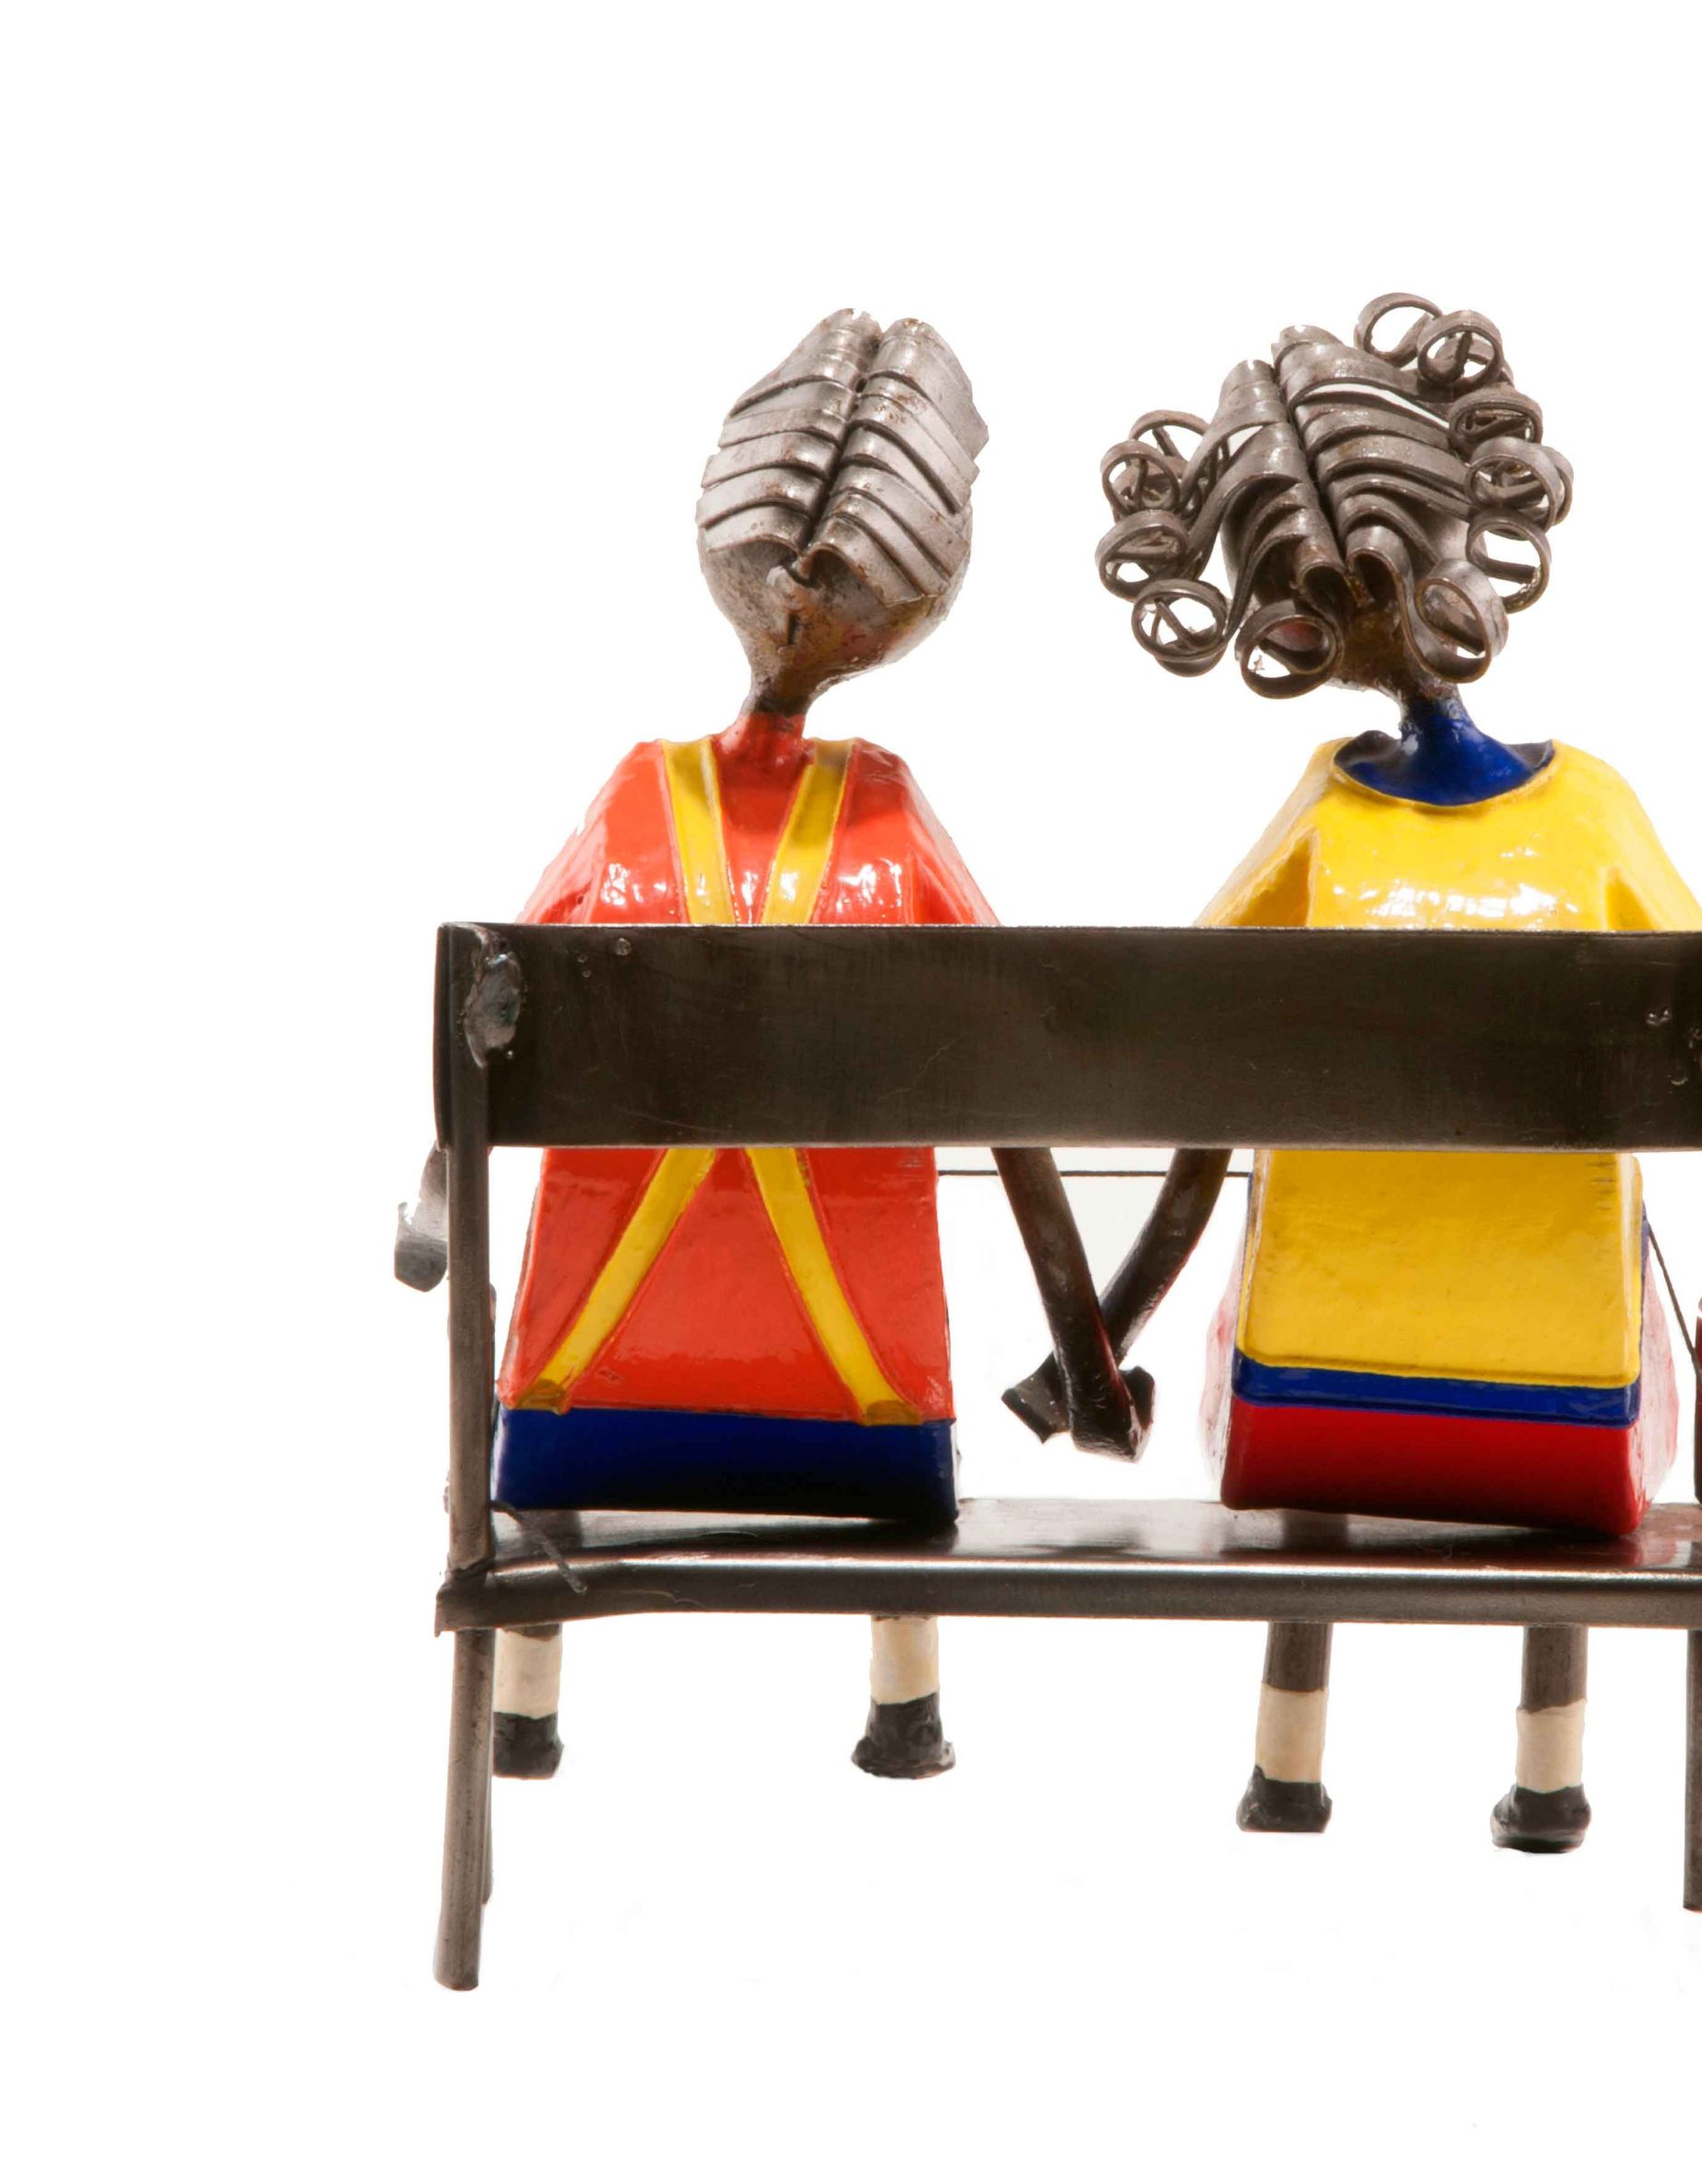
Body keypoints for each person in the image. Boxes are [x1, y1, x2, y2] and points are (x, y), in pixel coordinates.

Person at [1008, 295, 1702, 1846]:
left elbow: (1183, 1044)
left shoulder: (1325, 819)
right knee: (1571, 1438)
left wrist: (1102, 1339)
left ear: (1285, 629)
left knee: (1306, 1378)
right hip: (1562, 1399)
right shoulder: (1591, 813)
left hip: (1315, 1386)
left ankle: (1289, 1758)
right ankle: (1550, 1774)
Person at [404, 311, 1146, 1787]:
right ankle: (904, 1703)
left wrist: (435, 1197)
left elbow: (492, 1017)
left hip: (587, 1390)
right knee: (882, 1399)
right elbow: (1017, 1076)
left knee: (563, 1358)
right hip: (854, 1400)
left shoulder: (634, 800)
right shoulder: (888, 817)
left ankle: (528, 1703)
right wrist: (1085, 1355)